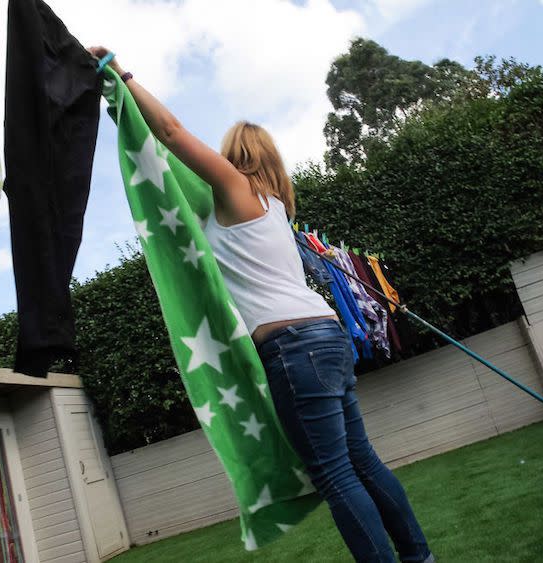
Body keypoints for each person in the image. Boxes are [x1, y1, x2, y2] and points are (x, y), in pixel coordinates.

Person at [88, 47, 434, 563]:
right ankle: (419, 556)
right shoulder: (275, 211)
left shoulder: (235, 187)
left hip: (294, 349)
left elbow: (173, 133)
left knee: (336, 475)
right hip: (328, 338)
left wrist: (122, 73)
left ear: (237, 157)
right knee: (361, 461)